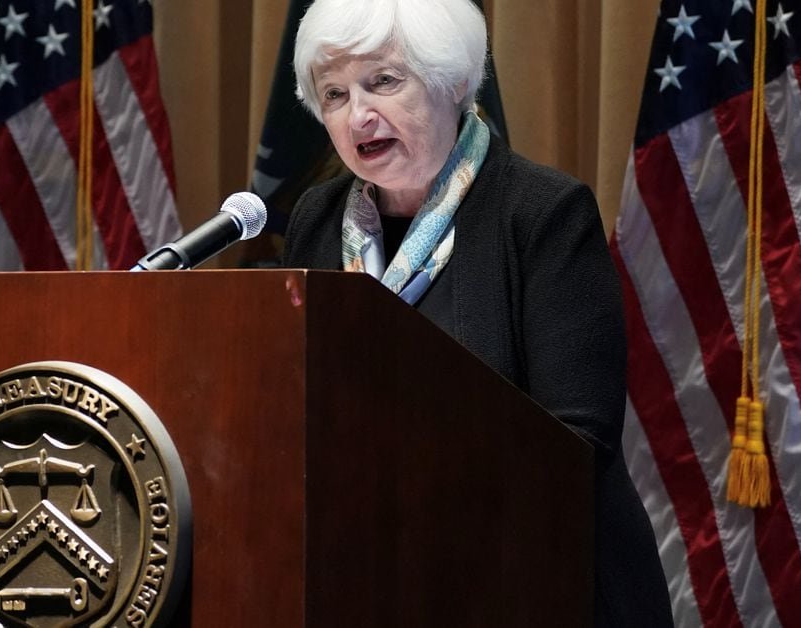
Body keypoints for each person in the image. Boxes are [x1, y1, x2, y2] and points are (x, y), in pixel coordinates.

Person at [282, 0, 673, 625]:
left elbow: (577, 440)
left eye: (383, 81)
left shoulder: (543, 213)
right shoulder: (318, 220)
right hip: (371, 574)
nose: (358, 115)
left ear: (455, 82)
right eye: (334, 94)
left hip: (538, 578)